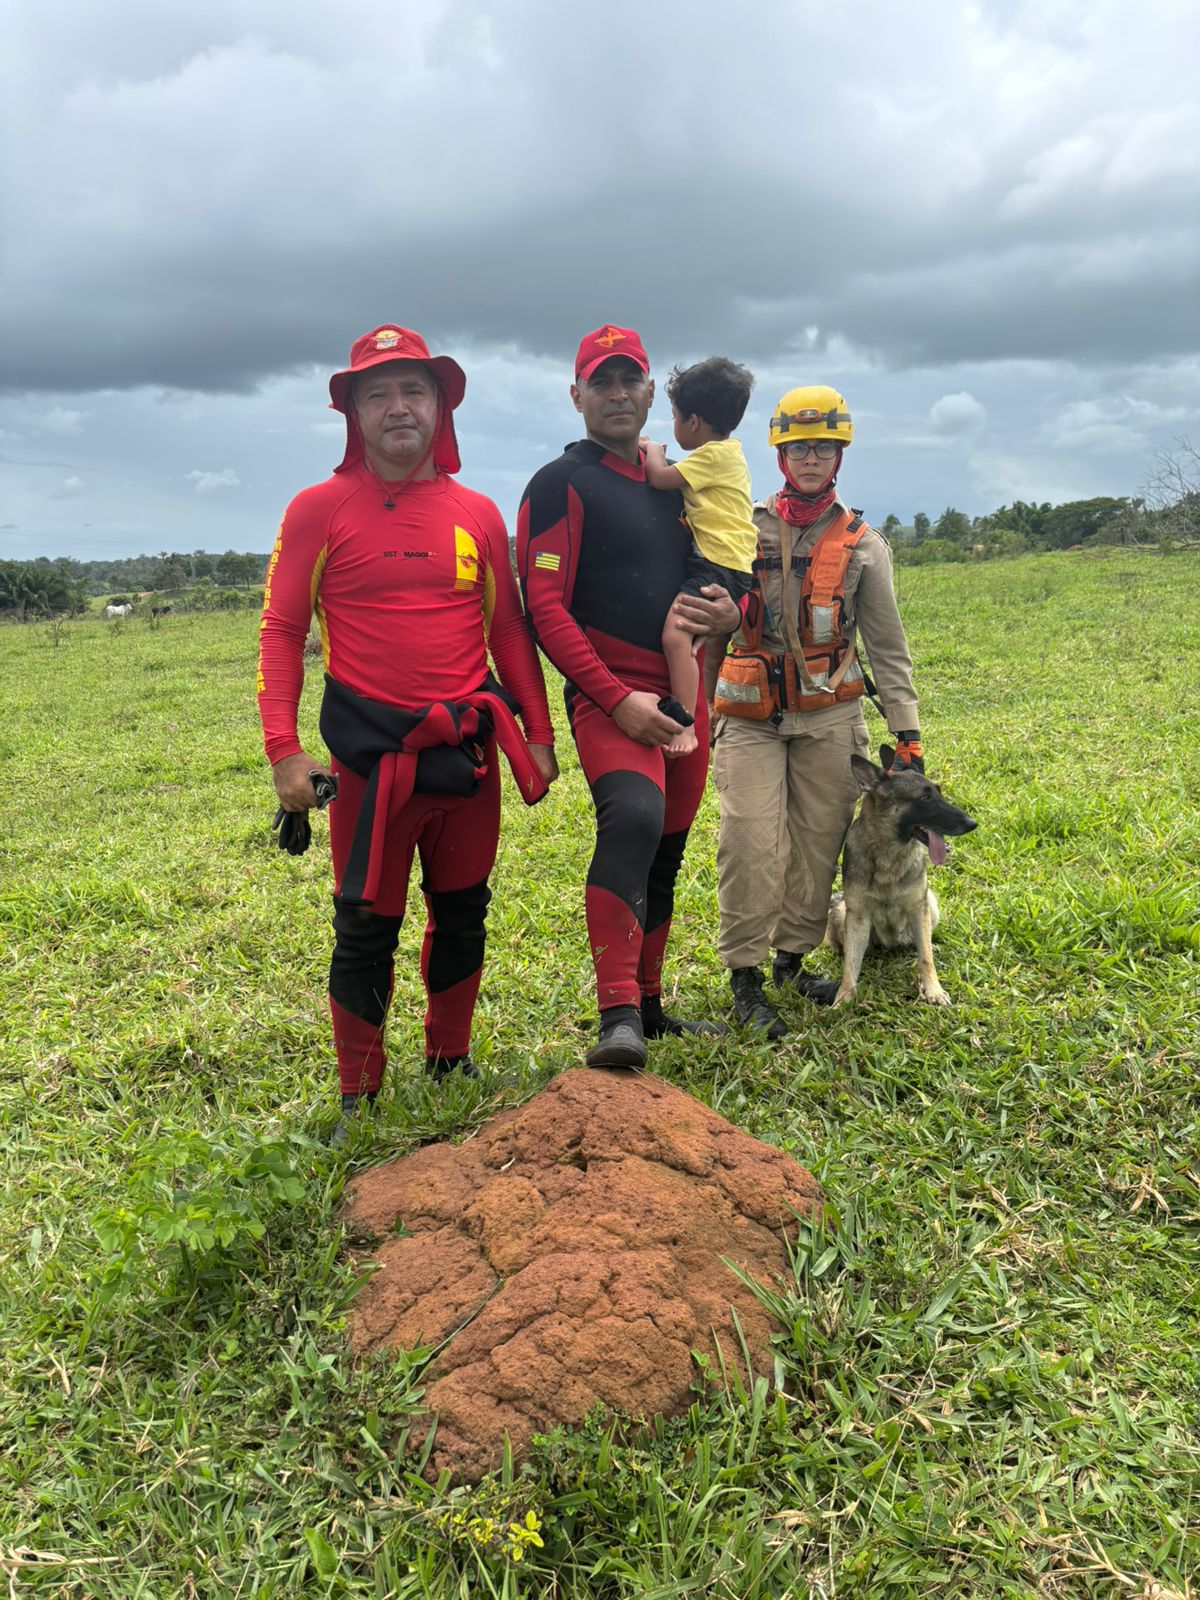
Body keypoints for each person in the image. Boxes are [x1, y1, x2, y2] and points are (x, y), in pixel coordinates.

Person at [258, 324, 557, 1140]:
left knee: (464, 910)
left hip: (467, 757)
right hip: (368, 763)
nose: (398, 408)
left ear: (441, 405)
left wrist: (538, 731)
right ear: (351, 411)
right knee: (365, 924)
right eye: (377, 393)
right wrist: (284, 751)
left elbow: (506, 634)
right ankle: (359, 1092)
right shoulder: (318, 510)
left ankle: (449, 1060)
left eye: (413, 391)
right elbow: (282, 631)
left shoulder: (477, 514)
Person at [517, 324, 742, 1069]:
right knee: (635, 821)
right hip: (609, 698)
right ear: (576, 395)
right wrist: (616, 702)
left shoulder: (676, 482)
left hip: (686, 700)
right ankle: (617, 1016)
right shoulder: (561, 483)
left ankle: (650, 1004)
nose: (617, 395)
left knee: (668, 852)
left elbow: (718, 571)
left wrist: (733, 615)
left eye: (630, 381)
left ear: (653, 394)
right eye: (601, 382)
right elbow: (544, 606)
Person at [703, 385, 923, 1038]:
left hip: (831, 717)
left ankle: (791, 960)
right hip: (750, 717)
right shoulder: (743, 529)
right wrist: (690, 711)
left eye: (823, 447)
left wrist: (906, 734)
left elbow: (886, 646)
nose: (810, 458)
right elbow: (709, 630)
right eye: (799, 448)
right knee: (747, 841)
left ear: (840, 454)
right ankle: (744, 976)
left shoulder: (863, 545)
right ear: (780, 454)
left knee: (819, 841)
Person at [640, 357, 758, 759]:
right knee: (687, 637)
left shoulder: (711, 456)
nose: (672, 426)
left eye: (674, 416)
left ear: (692, 422)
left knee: (675, 636)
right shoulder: (729, 454)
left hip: (717, 565)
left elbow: (659, 477)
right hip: (729, 564)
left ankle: (685, 723)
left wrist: (650, 449)